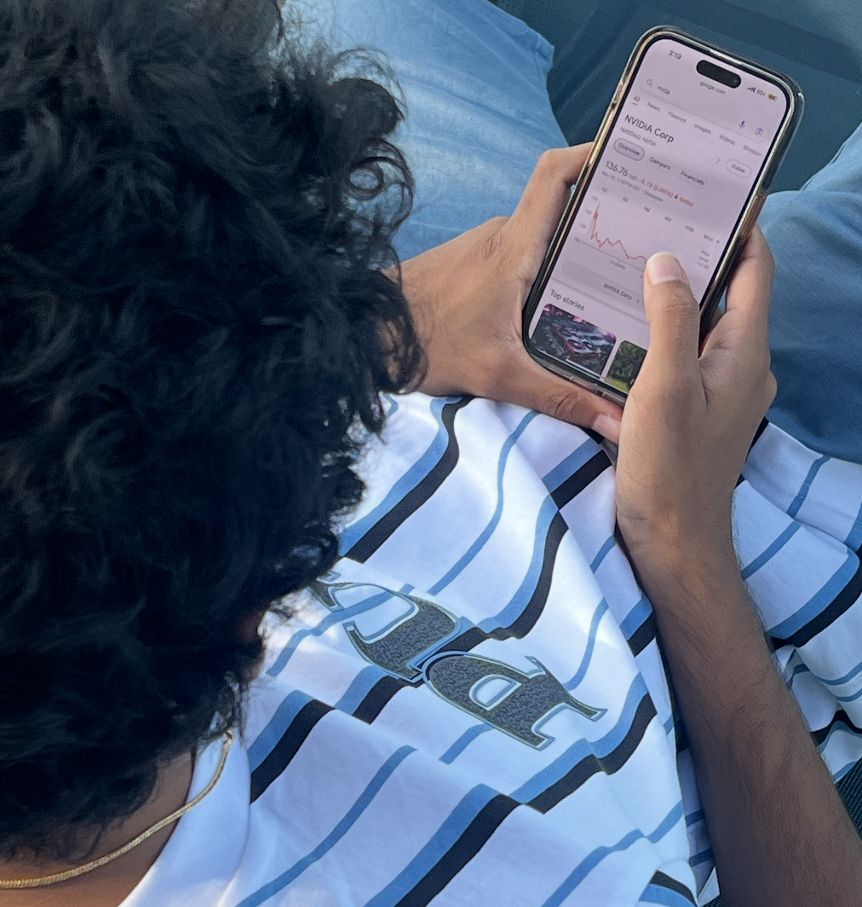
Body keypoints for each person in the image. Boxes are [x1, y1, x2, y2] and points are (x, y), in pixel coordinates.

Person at [1, 2, 861, 907]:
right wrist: (686, 547)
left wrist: (387, 321)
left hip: (483, 339)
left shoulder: (106, 645)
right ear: (267, 598)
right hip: (751, 501)